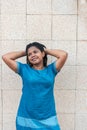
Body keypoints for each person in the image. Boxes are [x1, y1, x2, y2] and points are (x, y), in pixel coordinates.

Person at [2, 42, 68, 130]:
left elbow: (63, 55)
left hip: (47, 115)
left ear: (43, 54)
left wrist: (45, 50)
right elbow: (6, 57)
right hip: (27, 115)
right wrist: (25, 52)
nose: (32, 55)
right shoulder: (24, 69)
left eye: (35, 52)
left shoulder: (51, 69)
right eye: (29, 54)